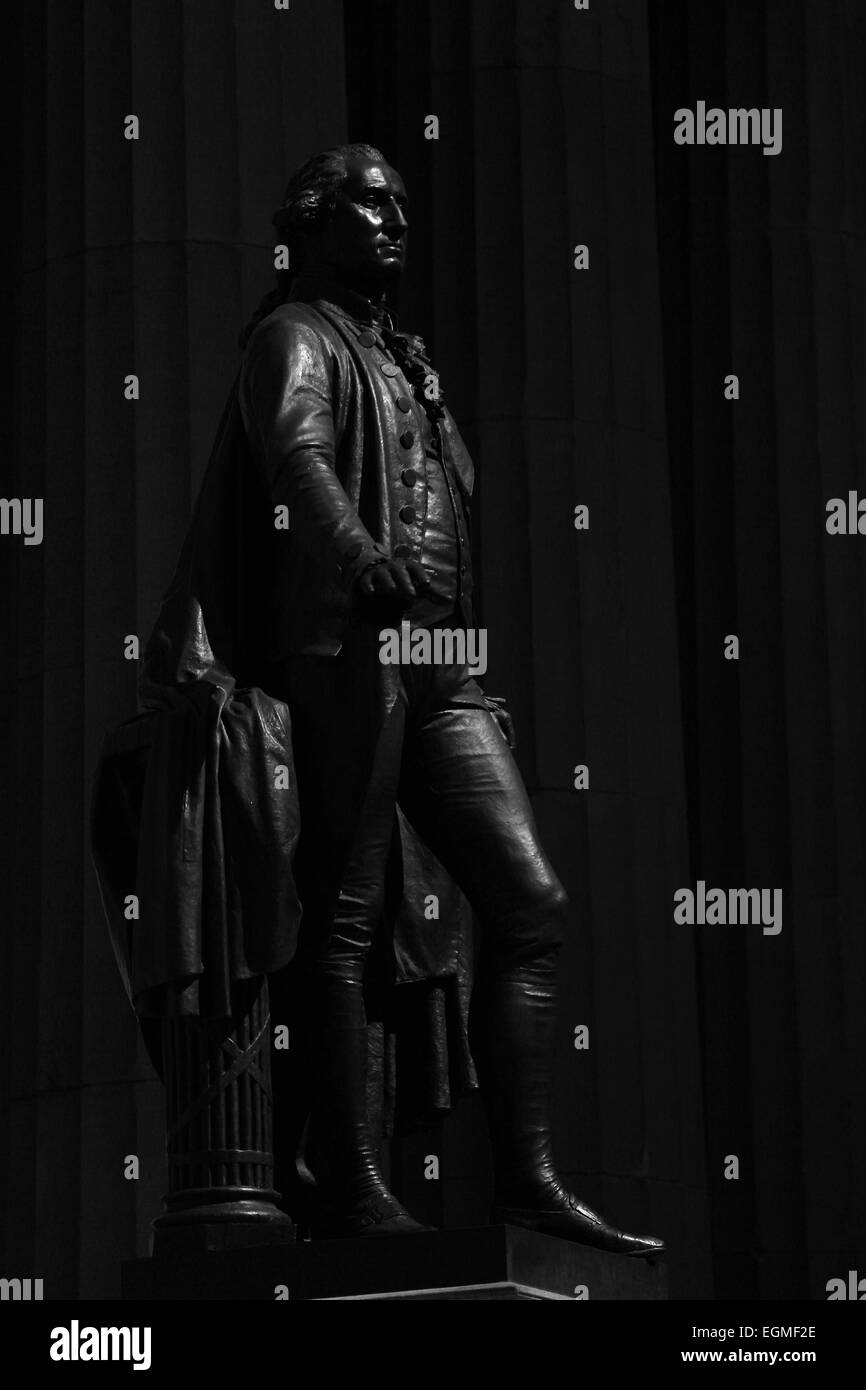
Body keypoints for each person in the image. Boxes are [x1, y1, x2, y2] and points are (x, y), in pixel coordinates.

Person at [231, 143, 664, 1256]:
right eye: (368, 203)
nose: (393, 221)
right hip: (347, 649)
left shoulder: (406, 359)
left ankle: (522, 1178)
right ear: (313, 223)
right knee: (341, 914)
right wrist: (355, 554)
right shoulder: (296, 337)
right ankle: (356, 1184)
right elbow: (298, 458)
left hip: (441, 665)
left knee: (529, 901)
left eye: (401, 206)